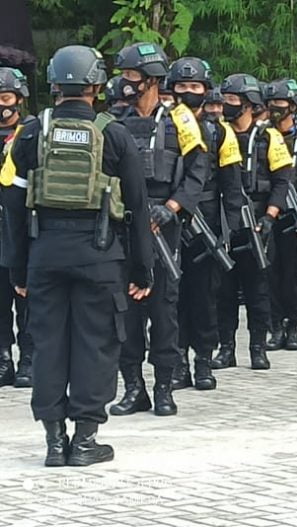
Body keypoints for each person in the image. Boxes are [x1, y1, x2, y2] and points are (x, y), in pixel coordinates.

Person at [3, 45, 153, 466]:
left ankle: (54, 442)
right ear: (98, 85)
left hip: (44, 255)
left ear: (53, 83)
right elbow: (138, 206)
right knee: (96, 344)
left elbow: (12, 206)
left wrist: (18, 269)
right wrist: (142, 269)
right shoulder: (115, 134)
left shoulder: (30, 133)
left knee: (48, 344)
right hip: (100, 256)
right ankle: (85, 441)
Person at [108, 42, 207, 417]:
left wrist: (172, 208)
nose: (125, 82)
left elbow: (198, 171)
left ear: (150, 79)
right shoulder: (114, 121)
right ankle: (134, 388)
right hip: (125, 225)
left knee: (164, 310)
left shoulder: (180, 119)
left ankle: (164, 387)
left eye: (131, 75)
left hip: (164, 225)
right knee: (126, 310)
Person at [169, 56, 244, 392]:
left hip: (207, 225)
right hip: (171, 220)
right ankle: (177, 364)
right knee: (173, 299)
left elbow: (232, 187)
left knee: (203, 298)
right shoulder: (164, 125)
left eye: (195, 86)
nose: (189, 92)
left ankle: (203, 361)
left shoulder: (220, 132)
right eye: (182, 86)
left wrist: (228, 231)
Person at [212, 73, 289, 371]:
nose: (226, 105)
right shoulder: (217, 133)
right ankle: (226, 349)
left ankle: (258, 347)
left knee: (258, 289)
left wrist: (270, 217)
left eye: (232, 100)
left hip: (257, 220)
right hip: (224, 219)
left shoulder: (269, 137)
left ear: (249, 104)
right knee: (224, 290)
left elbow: (282, 182)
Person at [263, 78, 297, 352]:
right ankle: (276, 326)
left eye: (280, 104)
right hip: (270, 212)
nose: (275, 109)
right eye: (271, 104)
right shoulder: (264, 136)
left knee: (294, 275)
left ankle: (293, 325)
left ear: (293, 107)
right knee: (271, 272)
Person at [0, 66, 34, 389]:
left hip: (25, 228)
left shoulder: (32, 134)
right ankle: (3, 359)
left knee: (27, 298)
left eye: (5, 97)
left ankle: (29, 359)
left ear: (19, 99)